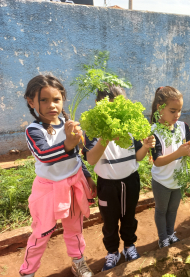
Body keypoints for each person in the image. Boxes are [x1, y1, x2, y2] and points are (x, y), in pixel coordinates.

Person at [20, 75, 96, 277]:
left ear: (63, 99)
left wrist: (87, 176)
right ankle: (28, 271)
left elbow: (77, 158)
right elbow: (44, 155)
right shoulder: (33, 130)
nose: (51, 105)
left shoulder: (67, 123)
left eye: (56, 99)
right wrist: (68, 144)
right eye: (43, 100)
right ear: (31, 101)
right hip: (48, 191)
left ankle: (78, 262)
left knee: (75, 229)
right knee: (41, 233)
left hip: (73, 186)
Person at [83, 85, 155, 271]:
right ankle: (113, 252)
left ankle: (129, 246)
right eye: (111, 106)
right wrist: (105, 138)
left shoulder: (130, 126)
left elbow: (137, 156)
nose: (117, 111)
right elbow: (91, 159)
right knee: (110, 221)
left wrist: (146, 146)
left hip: (130, 181)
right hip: (107, 184)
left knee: (129, 216)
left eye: (120, 105)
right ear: (100, 105)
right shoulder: (95, 129)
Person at [150, 86, 190, 248]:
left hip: (178, 179)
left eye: (179, 110)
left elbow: (186, 150)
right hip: (162, 181)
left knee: (173, 210)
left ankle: (170, 233)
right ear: (160, 108)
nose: (177, 115)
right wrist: (179, 152)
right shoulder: (154, 131)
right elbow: (157, 161)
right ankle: (162, 238)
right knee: (161, 210)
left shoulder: (183, 127)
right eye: (173, 111)